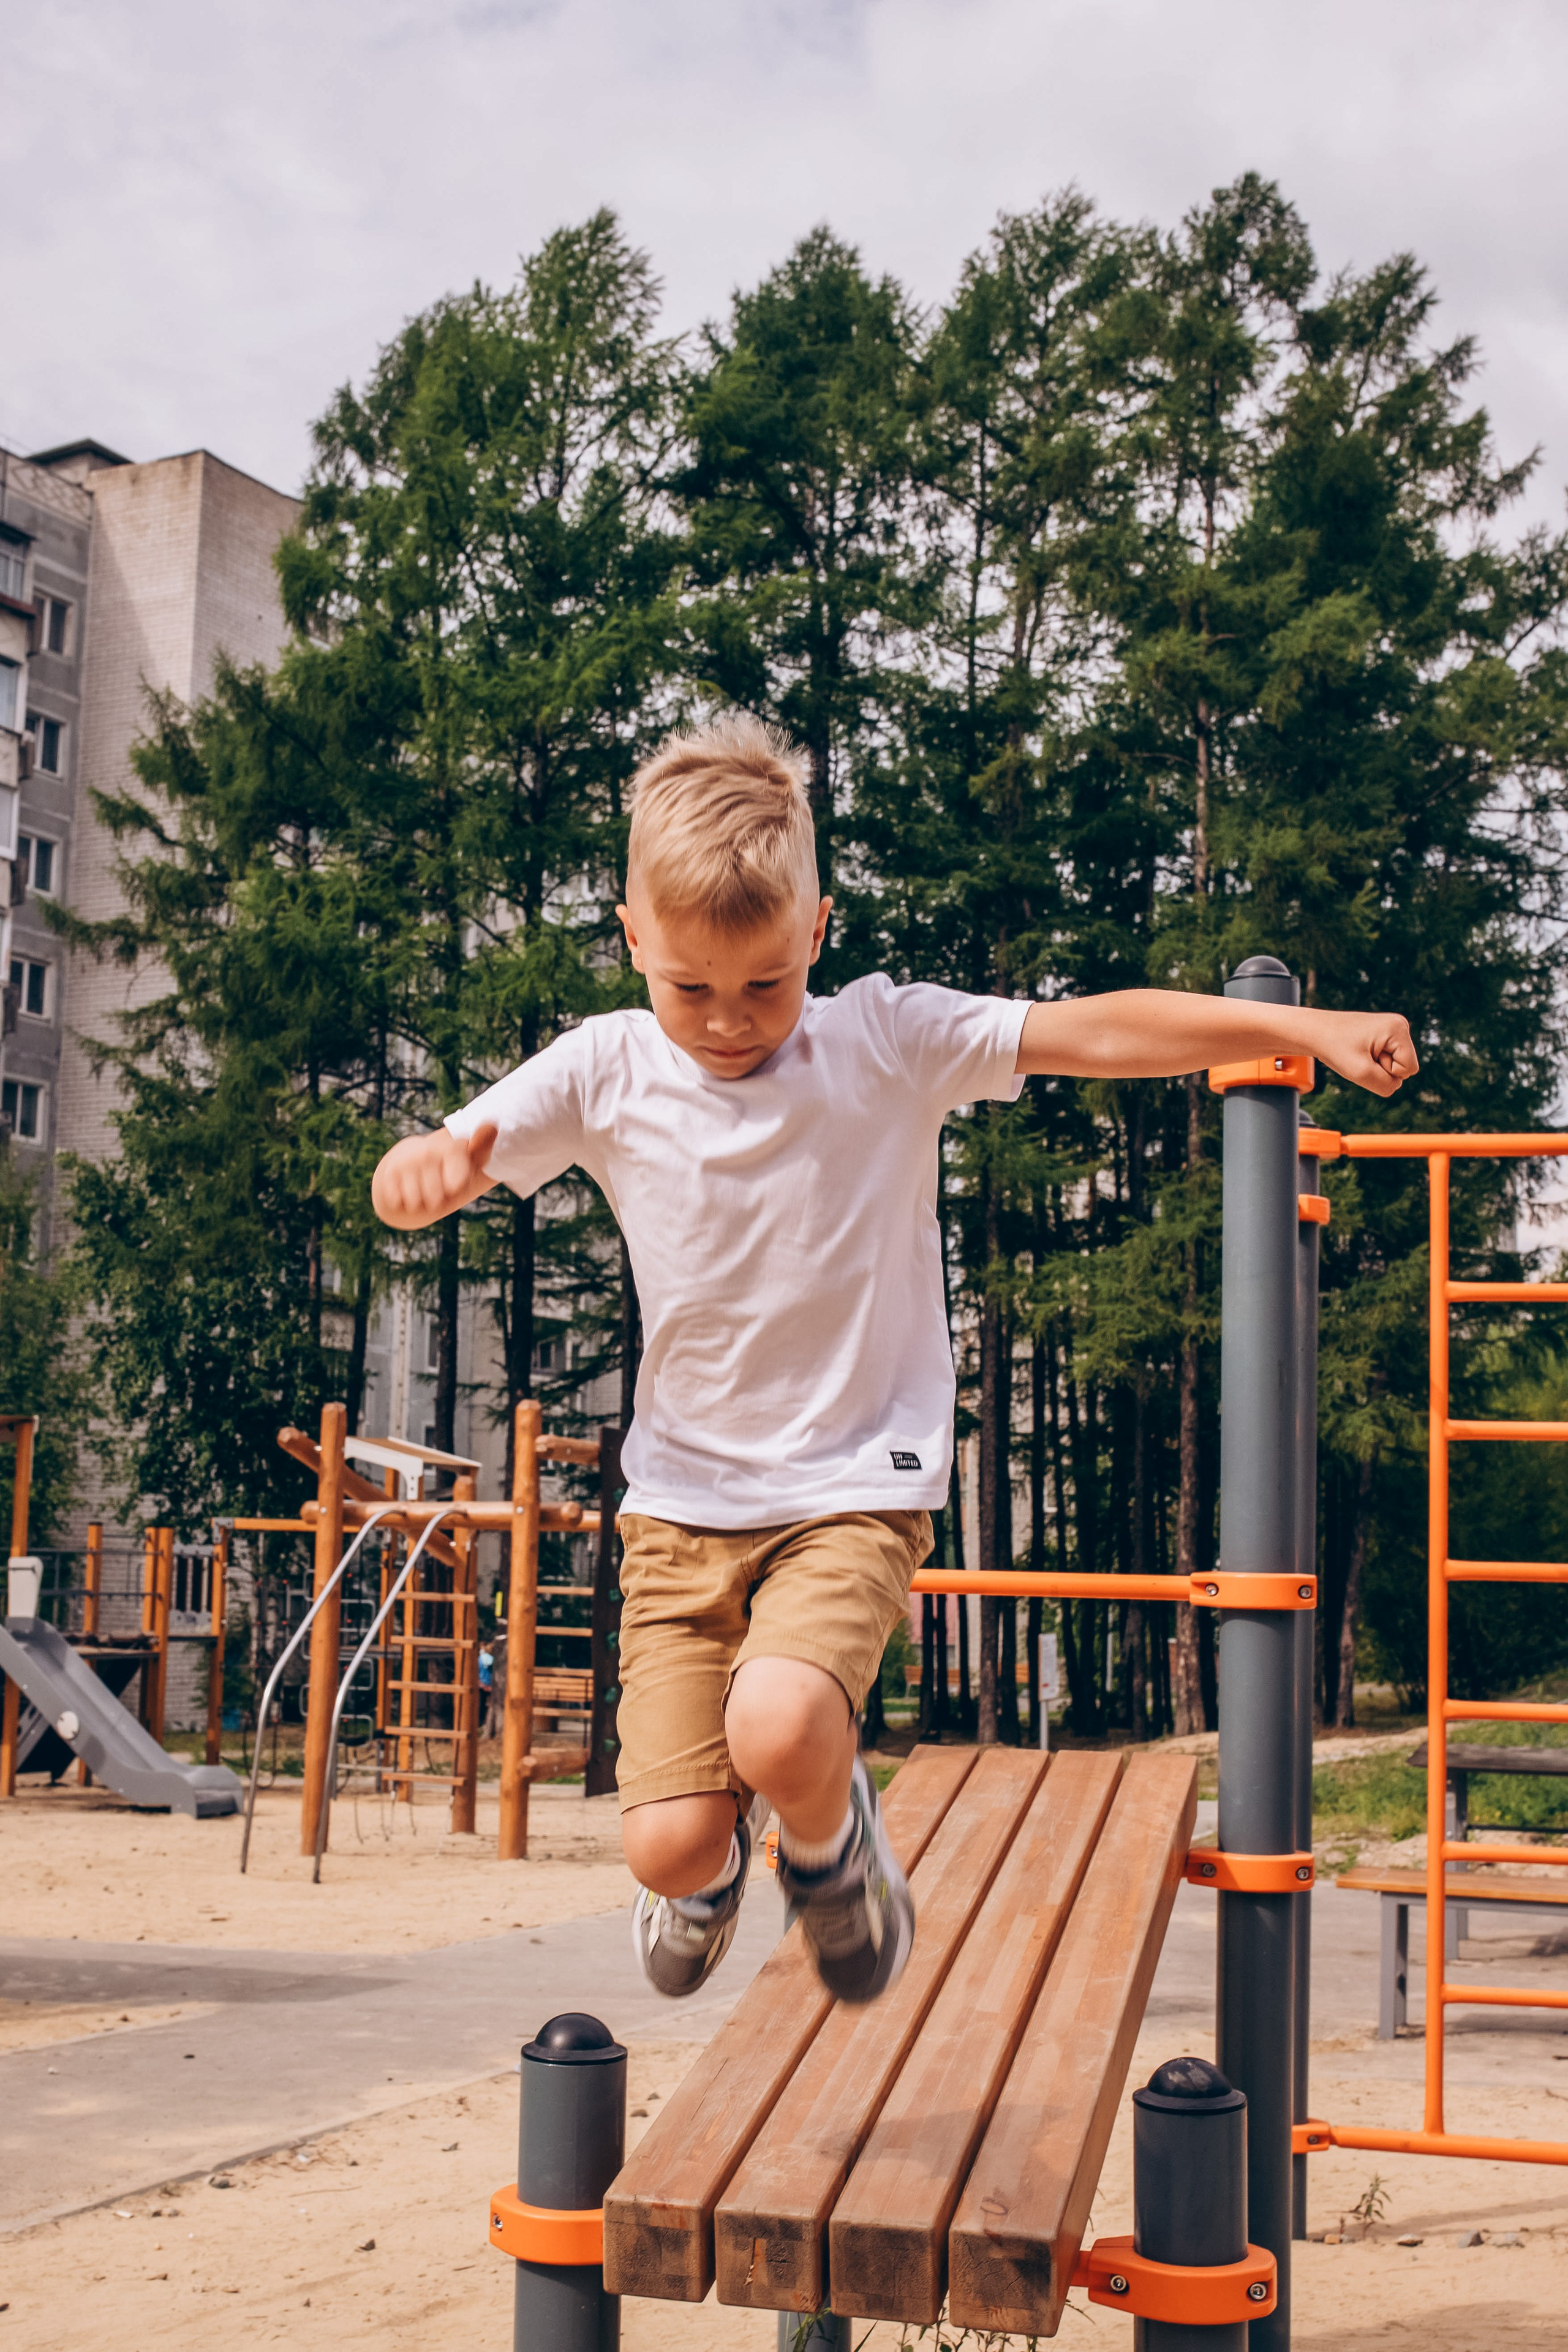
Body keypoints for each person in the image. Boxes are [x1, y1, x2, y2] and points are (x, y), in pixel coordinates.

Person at [372, 715, 1416, 2005]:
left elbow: (1090, 1030)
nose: (725, 1021)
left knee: (783, 1723)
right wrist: (422, 1173)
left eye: (762, 985)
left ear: (814, 930)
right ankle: (709, 1874)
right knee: (666, 1837)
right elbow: (449, 1153)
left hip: (852, 1486)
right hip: (678, 1511)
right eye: (689, 986)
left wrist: (1301, 1032)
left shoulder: (882, 1037)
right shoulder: (604, 1067)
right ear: (633, 937)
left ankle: (831, 1850)